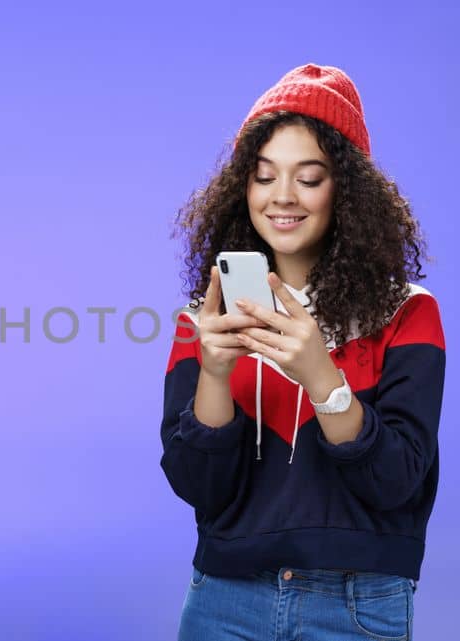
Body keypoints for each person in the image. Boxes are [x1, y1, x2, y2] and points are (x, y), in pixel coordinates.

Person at [160, 63, 445, 641]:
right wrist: (214, 375)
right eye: (264, 176)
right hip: (223, 598)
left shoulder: (408, 314)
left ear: (347, 190)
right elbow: (199, 489)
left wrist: (322, 375)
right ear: (242, 187)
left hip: (357, 602)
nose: (282, 197)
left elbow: (397, 483)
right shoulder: (204, 319)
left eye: (309, 178)